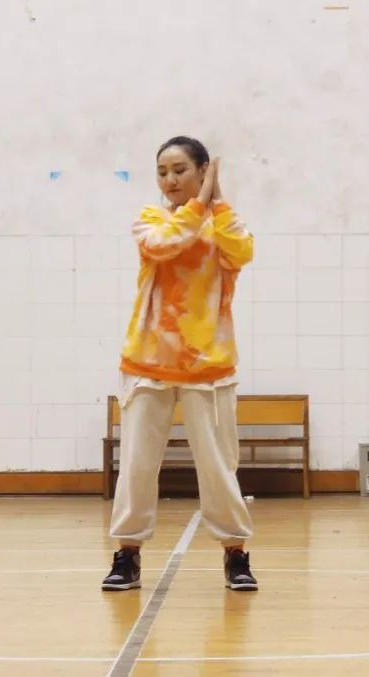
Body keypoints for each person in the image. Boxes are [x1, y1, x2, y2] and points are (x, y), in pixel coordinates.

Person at [102, 136, 258, 592]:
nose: (169, 180)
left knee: (218, 467)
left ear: (203, 171)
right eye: (162, 172)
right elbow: (164, 245)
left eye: (180, 170)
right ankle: (127, 554)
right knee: (136, 465)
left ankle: (236, 554)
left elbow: (241, 251)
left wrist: (216, 201)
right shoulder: (151, 219)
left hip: (209, 366)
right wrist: (198, 204)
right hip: (147, 362)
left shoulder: (224, 222)